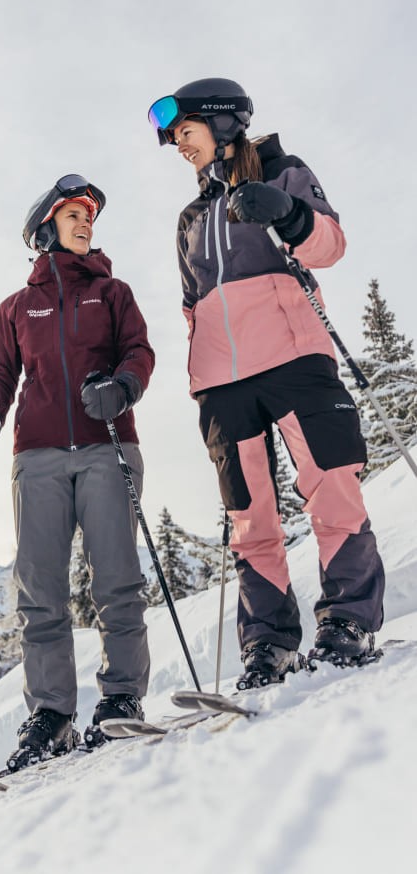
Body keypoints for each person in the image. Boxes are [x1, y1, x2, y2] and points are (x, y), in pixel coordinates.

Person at [147, 78, 386, 688]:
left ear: (223, 122)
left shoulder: (283, 171)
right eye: (173, 137)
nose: (179, 145)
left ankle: (349, 620)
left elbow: (329, 244)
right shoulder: (191, 217)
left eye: (185, 131)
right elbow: (191, 300)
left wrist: (288, 213)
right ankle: (268, 643)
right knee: (250, 518)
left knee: (332, 484)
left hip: (296, 358)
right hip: (224, 383)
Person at [0, 174, 155, 770]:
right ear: (46, 226)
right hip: (38, 456)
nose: (86, 221)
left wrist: (123, 385)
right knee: (40, 591)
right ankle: (52, 714)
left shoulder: (113, 292)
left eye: (91, 215)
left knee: (117, 579)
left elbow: (139, 352)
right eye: (74, 213)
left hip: (107, 446)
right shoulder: (17, 307)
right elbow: (0, 371)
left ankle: (122, 696)